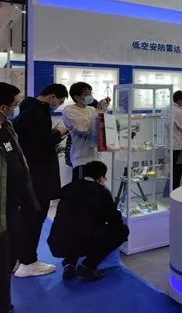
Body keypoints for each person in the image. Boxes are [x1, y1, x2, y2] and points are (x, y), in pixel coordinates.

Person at [12, 84, 69, 278]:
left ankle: (21, 257)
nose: (58, 104)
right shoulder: (35, 112)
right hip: (38, 175)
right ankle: (28, 262)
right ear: (52, 96)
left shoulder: (30, 109)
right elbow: (41, 142)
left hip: (32, 174)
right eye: (59, 101)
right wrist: (59, 132)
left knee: (29, 217)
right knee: (34, 217)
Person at [47, 160, 129, 282]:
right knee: (121, 230)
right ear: (100, 177)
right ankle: (87, 266)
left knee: (73, 226)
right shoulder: (101, 192)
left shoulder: (69, 187)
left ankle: (69, 264)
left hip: (56, 242)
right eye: (104, 177)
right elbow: (115, 218)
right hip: (84, 241)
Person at [0, 82, 38, 313]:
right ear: (2, 107)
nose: (16, 108)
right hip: (2, 210)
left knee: (9, 258)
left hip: (13, 207)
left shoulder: (8, 127)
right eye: (14, 104)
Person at [62, 82, 109, 181]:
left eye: (90, 93)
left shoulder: (91, 109)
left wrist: (103, 111)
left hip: (97, 157)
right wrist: (99, 112)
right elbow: (86, 130)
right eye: (86, 94)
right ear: (77, 97)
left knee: (97, 188)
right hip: (81, 158)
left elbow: (102, 128)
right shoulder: (69, 111)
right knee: (83, 188)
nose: (90, 96)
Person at [167, 91, 182, 190]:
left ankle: (173, 190)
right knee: (177, 172)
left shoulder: (168, 110)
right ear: (180, 100)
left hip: (172, 145)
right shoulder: (179, 112)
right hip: (179, 146)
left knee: (174, 172)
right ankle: (175, 191)